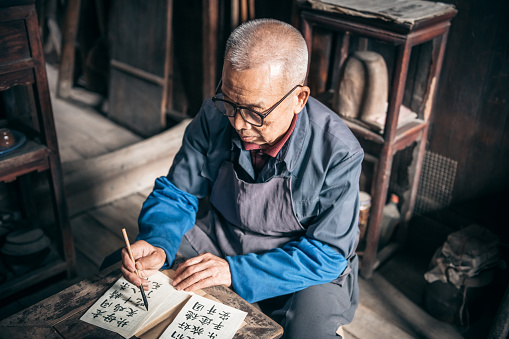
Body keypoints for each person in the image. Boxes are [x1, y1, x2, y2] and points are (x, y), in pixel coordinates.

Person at [120, 18, 363, 338]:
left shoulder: (338, 151)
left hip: (296, 260)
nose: (238, 123)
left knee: (308, 329)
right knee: (123, 276)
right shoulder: (213, 114)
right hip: (219, 236)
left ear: (299, 99)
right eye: (230, 103)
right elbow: (179, 192)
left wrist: (235, 272)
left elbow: (328, 253)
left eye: (255, 112)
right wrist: (158, 241)